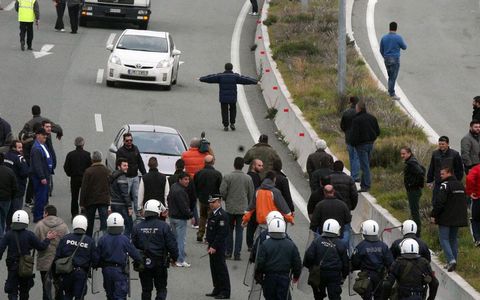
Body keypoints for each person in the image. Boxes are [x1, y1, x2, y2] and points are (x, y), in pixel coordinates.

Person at [0, 210, 57, 300]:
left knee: (12, 291)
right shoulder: (29, 235)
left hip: (12, 266)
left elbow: (1, 249)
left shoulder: (8, 235)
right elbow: (41, 246)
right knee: (24, 291)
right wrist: (47, 239)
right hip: (25, 267)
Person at [132, 200, 179, 300]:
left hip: (143, 263)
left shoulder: (137, 227)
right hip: (160, 263)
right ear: (158, 211)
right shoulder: (164, 226)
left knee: (146, 290)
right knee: (161, 289)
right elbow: (172, 245)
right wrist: (174, 258)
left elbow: (133, 246)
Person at [96, 212, 142, 300]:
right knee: (120, 295)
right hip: (119, 271)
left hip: (106, 270)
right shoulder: (124, 239)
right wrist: (140, 260)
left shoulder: (103, 239)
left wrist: (96, 264)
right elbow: (134, 254)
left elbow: (96, 256)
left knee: (109, 294)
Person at [199, 63, 258, 131]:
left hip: (223, 98)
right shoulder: (235, 76)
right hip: (232, 97)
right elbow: (245, 79)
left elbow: (210, 78)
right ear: (231, 68)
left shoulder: (220, 76)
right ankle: (232, 123)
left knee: (224, 111)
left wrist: (201, 79)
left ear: (225, 68)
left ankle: (226, 125)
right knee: (233, 110)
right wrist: (255, 81)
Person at [430, 167, 468, 272]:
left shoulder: (445, 185)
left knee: (444, 239)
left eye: (442, 174)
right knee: (453, 239)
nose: (440, 176)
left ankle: (451, 260)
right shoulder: (460, 185)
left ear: (449, 173)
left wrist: (433, 215)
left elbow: (440, 202)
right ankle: (453, 261)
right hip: (458, 217)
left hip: (446, 218)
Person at [256, 217, 302, 300]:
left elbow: (261, 262)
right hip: (284, 277)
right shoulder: (291, 244)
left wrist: (258, 275)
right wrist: (296, 275)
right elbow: (297, 262)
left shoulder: (265, 244)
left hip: (269, 277)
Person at [303, 219, 349, 300]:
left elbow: (309, 256)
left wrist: (311, 268)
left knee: (318, 296)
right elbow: (345, 263)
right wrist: (344, 275)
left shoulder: (317, 241)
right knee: (334, 297)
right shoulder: (341, 244)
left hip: (319, 273)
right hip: (334, 275)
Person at [55, 215, 97, 300]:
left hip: (66, 272)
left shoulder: (66, 238)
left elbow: (58, 255)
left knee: (67, 295)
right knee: (79, 297)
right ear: (85, 226)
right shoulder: (90, 241)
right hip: (81, 273)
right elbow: (95, 260)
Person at [220, 157, 254, 260]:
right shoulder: (248, 178)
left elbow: (222, 191)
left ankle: (228, 252)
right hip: (243, 208)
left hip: (230, 208)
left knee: (229, 230)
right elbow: (251, 194)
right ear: (243, 166)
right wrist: (248, 206)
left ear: (234, 165)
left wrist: (226, 199)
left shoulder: (227, 177)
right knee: (240, 231)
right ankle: (237, 254)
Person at [34, 204, 69, 300]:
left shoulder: (39, 225)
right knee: (59, 287)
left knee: (46, 288)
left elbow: (35, 243)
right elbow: (67, 243)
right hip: (60, 263)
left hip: (44, 262)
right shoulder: (63, 226)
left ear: (46, 213)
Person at [351, 220, 394, 300]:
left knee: (367, 297)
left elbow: (355, 262)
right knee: (379, 296)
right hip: (380, 277)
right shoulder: (383, 246)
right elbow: (390, 262)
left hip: (366, 277)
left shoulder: (361, 246)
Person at [349, 100, 380, 193]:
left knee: (364, 165)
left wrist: (353, 143)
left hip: (361, 145)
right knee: (366, 164)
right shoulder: (372, 118)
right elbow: (378, 131)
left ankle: (366, 185)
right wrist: (372, 138)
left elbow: (354, 134)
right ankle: (364, 184)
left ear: (358, 108)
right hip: (370, 143)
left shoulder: (356, 120)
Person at [79, 151, 111, 237]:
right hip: (103, 200)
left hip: (91, 200)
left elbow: (84, 188)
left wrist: (82, 203)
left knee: (89, 223)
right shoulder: (106, 171)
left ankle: (89, 240)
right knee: (104, 223)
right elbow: (110, 186)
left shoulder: (88, 171)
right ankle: (104, 239)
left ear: (92, 159)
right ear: (101, 159)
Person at [205, 195, 231, 299]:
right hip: (212, 245)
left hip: (218, 247)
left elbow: (222, 233)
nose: (211, 204)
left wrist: (214, 246)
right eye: (210, 202)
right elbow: (211, 229)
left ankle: (225, 291)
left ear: (219, 202)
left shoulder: (222, 215)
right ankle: (217, 288)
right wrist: (209, 244)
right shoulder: (213, 213)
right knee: (214, 268)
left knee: (221, 269)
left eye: (213, 202)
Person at [116, 132, 146, 217]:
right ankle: (124, 213)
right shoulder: (120, 151)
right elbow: (118, 165)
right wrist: (119, 176)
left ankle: (138, 214)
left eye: (131, 140)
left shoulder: (135, 148)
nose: (129, 142)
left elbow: (140, 162)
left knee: (136, 196)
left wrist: (144, 174)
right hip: (126, 178)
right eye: (127, 141)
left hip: (135, 177)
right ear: (124, 141)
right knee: (125, 197)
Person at [426, 136, 463, 205]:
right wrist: (429, 180)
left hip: (451, 183)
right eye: (439, 144)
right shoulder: (435, 154)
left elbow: (460, 169)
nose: (441, 146)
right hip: (438, 182)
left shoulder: (455, 154)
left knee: (449, 202)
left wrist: (457, 181)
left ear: (447, 144)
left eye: (443, 144)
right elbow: (431, 167)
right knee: (436, 201)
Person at [194, 155, 223, 242]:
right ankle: (208, 236)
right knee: (212, 218)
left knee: (202, 216)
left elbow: (195, 185)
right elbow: (220, 187)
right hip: (213, 199)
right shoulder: (217, 174)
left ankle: (200, 233)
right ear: (212, 162)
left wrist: (198, 195)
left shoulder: (199, 173)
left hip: (202, 198)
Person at [167, 172, 192, 267]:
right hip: (180, 219)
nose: (187, 181)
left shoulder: (173, 187)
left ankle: (173, 258)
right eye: (185, 179)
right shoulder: (181, 191)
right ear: (180, 180)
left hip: (172, 217)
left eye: (188, 179)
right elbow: (184, 207)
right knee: (181, 240)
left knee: (174, 239)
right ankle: (180, 260)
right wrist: (190, 215)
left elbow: (169, 198)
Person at [63, 136, 91, 219]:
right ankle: (84, 212)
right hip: (84, 178)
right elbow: (90, 167)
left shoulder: (70, 154)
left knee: (74, 197)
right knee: (85, 196)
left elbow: (66, 167)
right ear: (83, 144)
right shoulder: (87, 154)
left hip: (74, 178)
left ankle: (74, 214)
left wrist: (70, 174)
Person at [400, 147, 425, 236]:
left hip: (413, 191)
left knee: (415, 212)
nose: (402, 156)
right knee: (413, 210)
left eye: (404, 154)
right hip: (414, 190)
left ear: (409, 153)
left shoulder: (411, 163)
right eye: (401, 154)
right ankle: (413, 229)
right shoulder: (411, 161)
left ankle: (417, 233)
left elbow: (421, 173)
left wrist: (412, 184)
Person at [4, 141, 29, 231]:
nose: (21, 149)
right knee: (16, 212)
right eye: (19, 147)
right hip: (18, 188)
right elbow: (25, 172)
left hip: (7, 189)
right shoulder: (19, 158)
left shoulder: (6, 156)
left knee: (8, 214)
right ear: (14, 148)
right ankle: (15, 233)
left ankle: (7, 230)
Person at [379, 21, 407, 100]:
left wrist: (385, 57)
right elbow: (404, 47)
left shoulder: (384, 38)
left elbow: (381, 50)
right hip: (395, 59)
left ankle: (390, 92)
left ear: (389, 28)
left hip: (387, 59)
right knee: (392, 77)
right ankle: (391, 94)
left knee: (390, 76)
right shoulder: (398, 38)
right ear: (396, 28)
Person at [30, 127, 52, 223]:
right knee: (40, 197)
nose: (45, 139)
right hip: (40, 178)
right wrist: (42, 177)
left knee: (43, 197)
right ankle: (38, 216)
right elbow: (37, 165)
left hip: (45, 175)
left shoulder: (42, 145)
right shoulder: (36, 149)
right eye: (43, 137)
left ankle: (40, 214)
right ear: (38, 136)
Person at [110, 158, 133, 237]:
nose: (126, 167)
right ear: (119, 167)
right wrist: (129, 207)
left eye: (127, 165)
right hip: (121, 205)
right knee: (129, 225)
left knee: (115, 225)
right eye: (124, 165)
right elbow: (125, 194)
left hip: (113, 203)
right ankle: (125, 242)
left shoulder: (113, 175)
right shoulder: (122, 177)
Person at [340, 96, 361, 181]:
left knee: (352, 157)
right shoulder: (360, 113)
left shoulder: (346, 113)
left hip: (348, 138)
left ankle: (353, 174)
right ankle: (355, 176)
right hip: (358, 138)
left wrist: (347, 132)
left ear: (351, 103)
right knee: (356, 157)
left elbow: (342, 126)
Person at [246, 158, 263, 251]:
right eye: (259, 165)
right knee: (252, 225)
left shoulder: (250, 176)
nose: (261, 167)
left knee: (252, 225)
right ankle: (250, 244)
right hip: (253, 204)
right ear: (253, 166)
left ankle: (250, 243)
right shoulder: (255, 177)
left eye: (262, 165)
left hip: (253, 204)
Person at [0, 153, 18, 239]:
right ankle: (2, 233)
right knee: (3, 217)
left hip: (5, 198)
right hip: (6, 199)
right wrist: (12, 197)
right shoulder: (9, 171)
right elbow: (15, 187)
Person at [466, 163, 480, 246]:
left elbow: (469, 178)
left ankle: (477, 239)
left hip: (478, 198)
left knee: (475, 219)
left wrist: (470, 191)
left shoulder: (476, 169)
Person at [42, 120, 57, 197]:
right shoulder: (41, 139)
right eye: (47, 127)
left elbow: (51, 150)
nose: (49, 128)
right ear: (42, 127)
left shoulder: (48, 136)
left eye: (50, 127)